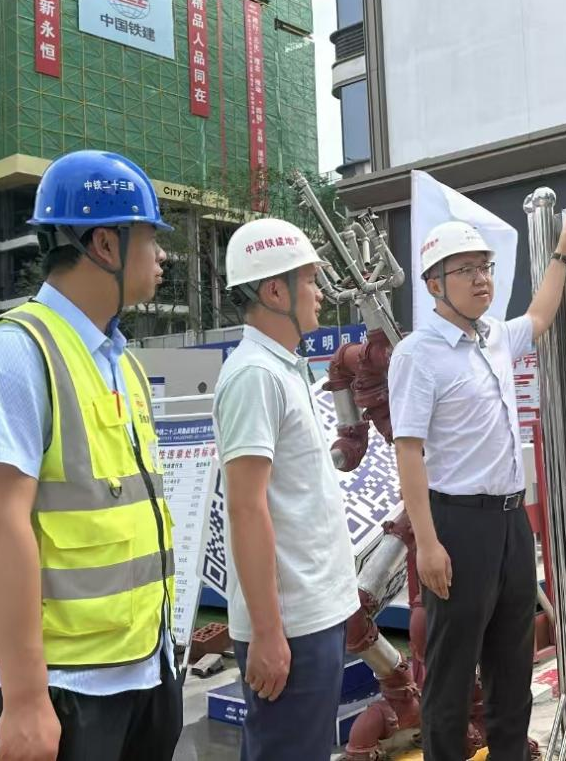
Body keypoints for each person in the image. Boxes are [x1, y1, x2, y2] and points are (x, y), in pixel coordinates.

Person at [0, 150, 181, 761]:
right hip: (57, 688)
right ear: (105, 243)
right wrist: (24, 700)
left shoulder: (120, 362)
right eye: (149, 236)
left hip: (138, 668)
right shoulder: (13, 354)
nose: (162, 255)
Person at [388, 213, 566, 760]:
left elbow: (539, 316)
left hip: (511, 523)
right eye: (466, 270)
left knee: (512, 665)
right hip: (458, 526)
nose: (482, 279)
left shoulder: (494, 336)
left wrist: (561, 255)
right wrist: (427, 544)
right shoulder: (418, 354)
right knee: (451, 674)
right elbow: (408, 451)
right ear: (434, 284)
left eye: (485, 267)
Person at [214, 217, 360, 761]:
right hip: (291, 628)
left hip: (311, 615)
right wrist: (269, 633)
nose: (320, 293)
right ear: (275, 291)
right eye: (311, 280)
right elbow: (245, 508)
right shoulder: (254, 376)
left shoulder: (284, 369)